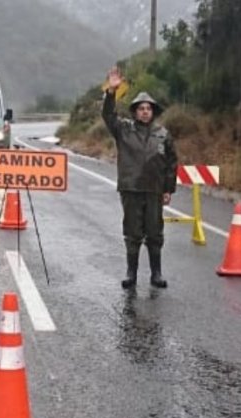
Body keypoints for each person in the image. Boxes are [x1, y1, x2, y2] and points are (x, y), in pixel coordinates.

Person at [102, 67, 177, 289]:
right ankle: (131, 274)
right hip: (131, 188)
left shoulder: (163, 134)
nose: (145, 112)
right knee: (132, 233)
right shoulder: (124, 129)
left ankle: (156, 274)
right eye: (141, 108)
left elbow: (171, 163)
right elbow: (108, 116)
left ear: (153, 112)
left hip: (154, 190)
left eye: (148, 109)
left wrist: (168, 189)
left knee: (155, 233)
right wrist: (111, 93)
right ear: (135, 111)